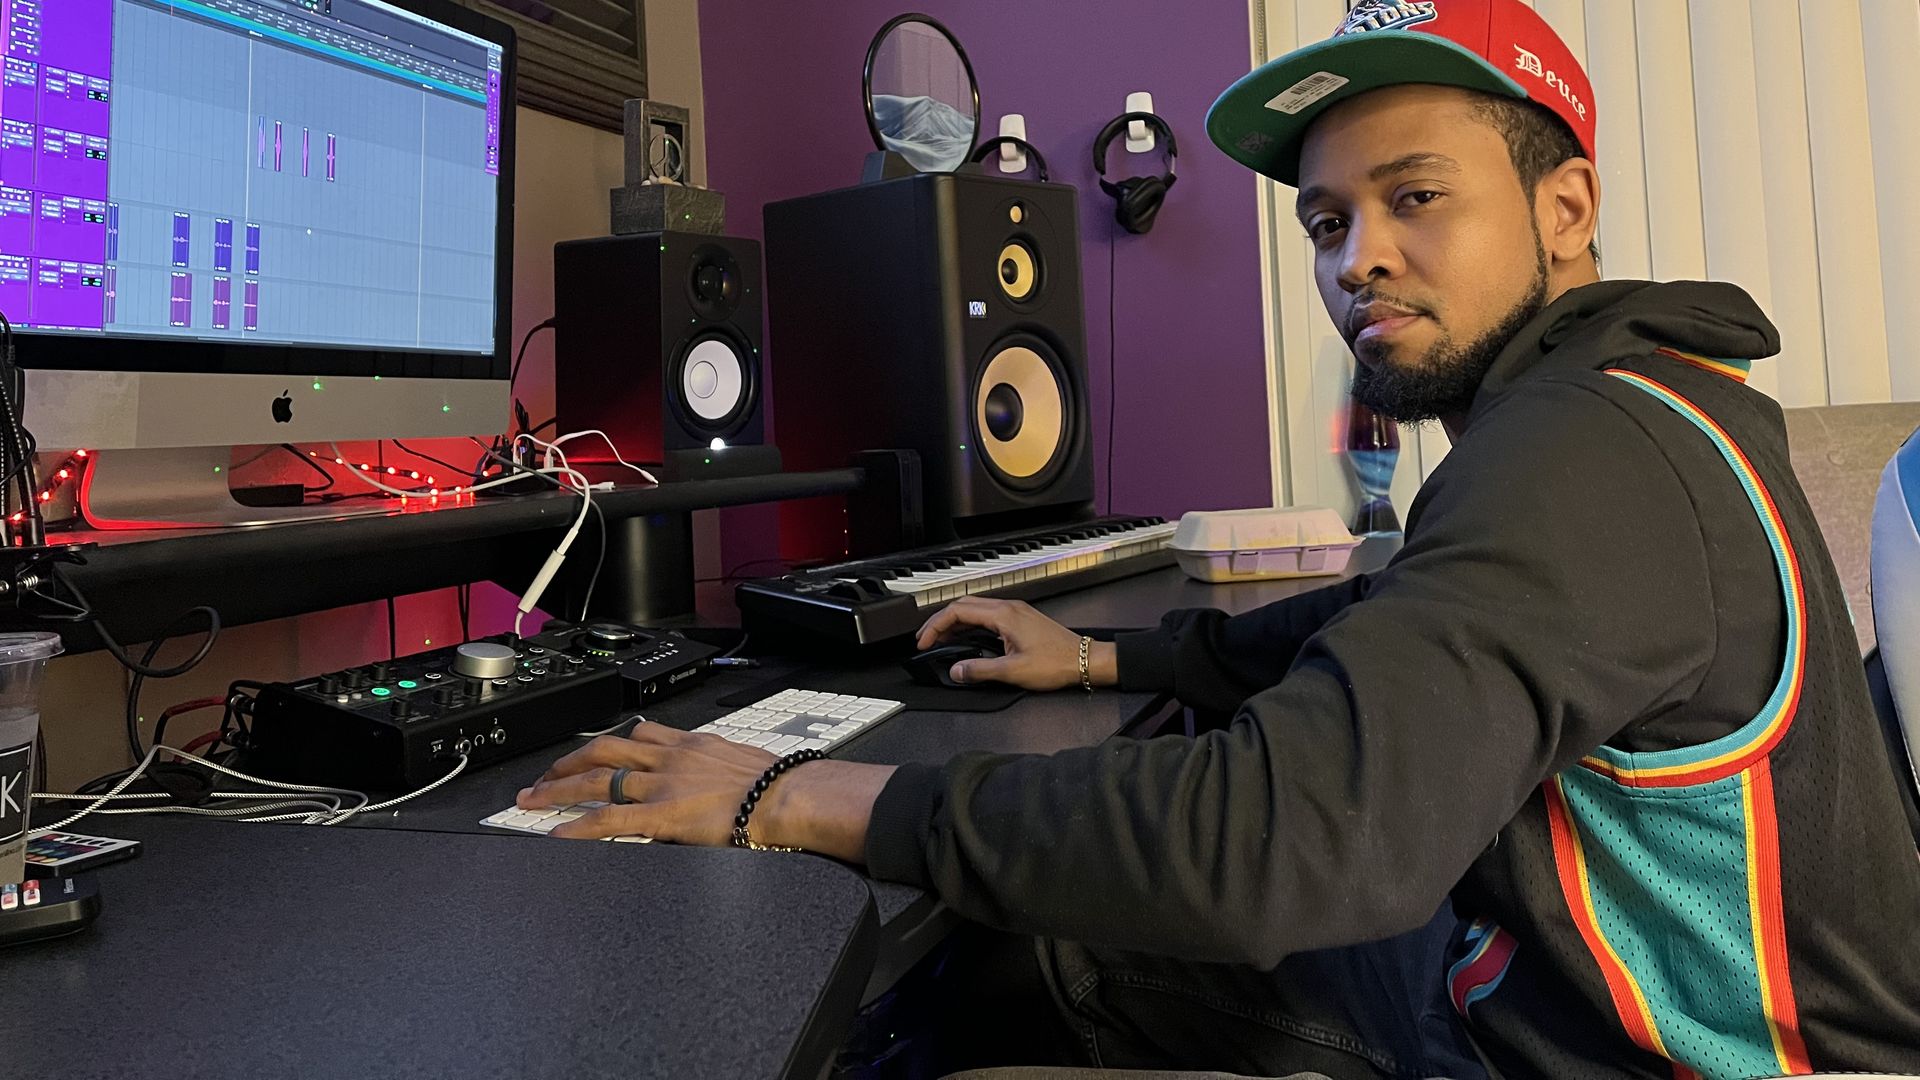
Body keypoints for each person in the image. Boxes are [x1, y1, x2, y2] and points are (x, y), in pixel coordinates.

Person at [517, 1, 1920, 1076]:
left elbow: (1281, 838)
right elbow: (1389, 626)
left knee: (1004, 958)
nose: (1357, 259)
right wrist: (1105, 660)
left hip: (1617, 1052)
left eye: (1415, 197)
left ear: (1566, 209)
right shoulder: (1639, 400)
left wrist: (798, 796)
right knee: (1037, 906)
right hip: (1541, 980)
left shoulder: (1582, 452)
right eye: (1327, 221)